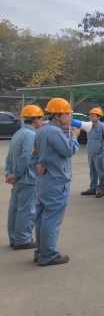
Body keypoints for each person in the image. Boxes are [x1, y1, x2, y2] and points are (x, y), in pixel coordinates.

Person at [30, 98, 80, 265]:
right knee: (52, 220)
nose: (69, 117)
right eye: (67, 114)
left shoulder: (41, 131)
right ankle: (49, 255)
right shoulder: (55, 132)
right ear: (57, 115)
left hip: (43, 181)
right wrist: (74, 137)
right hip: (56, 182)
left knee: (42, 218)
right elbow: (69, 151)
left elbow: (34, 155)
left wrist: (37, 165)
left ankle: (40, 252)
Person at [5, 105, 44, 250]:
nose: (41, 122)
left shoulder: (18, 133)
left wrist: (10, 173)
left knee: (15, 209)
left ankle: (14, 238)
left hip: (17, 178)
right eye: (40, 119)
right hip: (27, 178)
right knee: (27, 210)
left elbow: (9, 156)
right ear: (35, 119)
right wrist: (15, 175)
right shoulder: (31, 135)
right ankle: (22, 239)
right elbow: (26, 157)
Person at [80, 108, 104, 198]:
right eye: (90, 115)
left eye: (93, 116)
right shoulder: (88, 126)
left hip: (99, 153)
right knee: (92, 172)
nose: (91, 117)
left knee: (100, 172)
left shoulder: (103, 127)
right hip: (90, 152)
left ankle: (101, 190)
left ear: (99, 117)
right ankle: (92, 188)